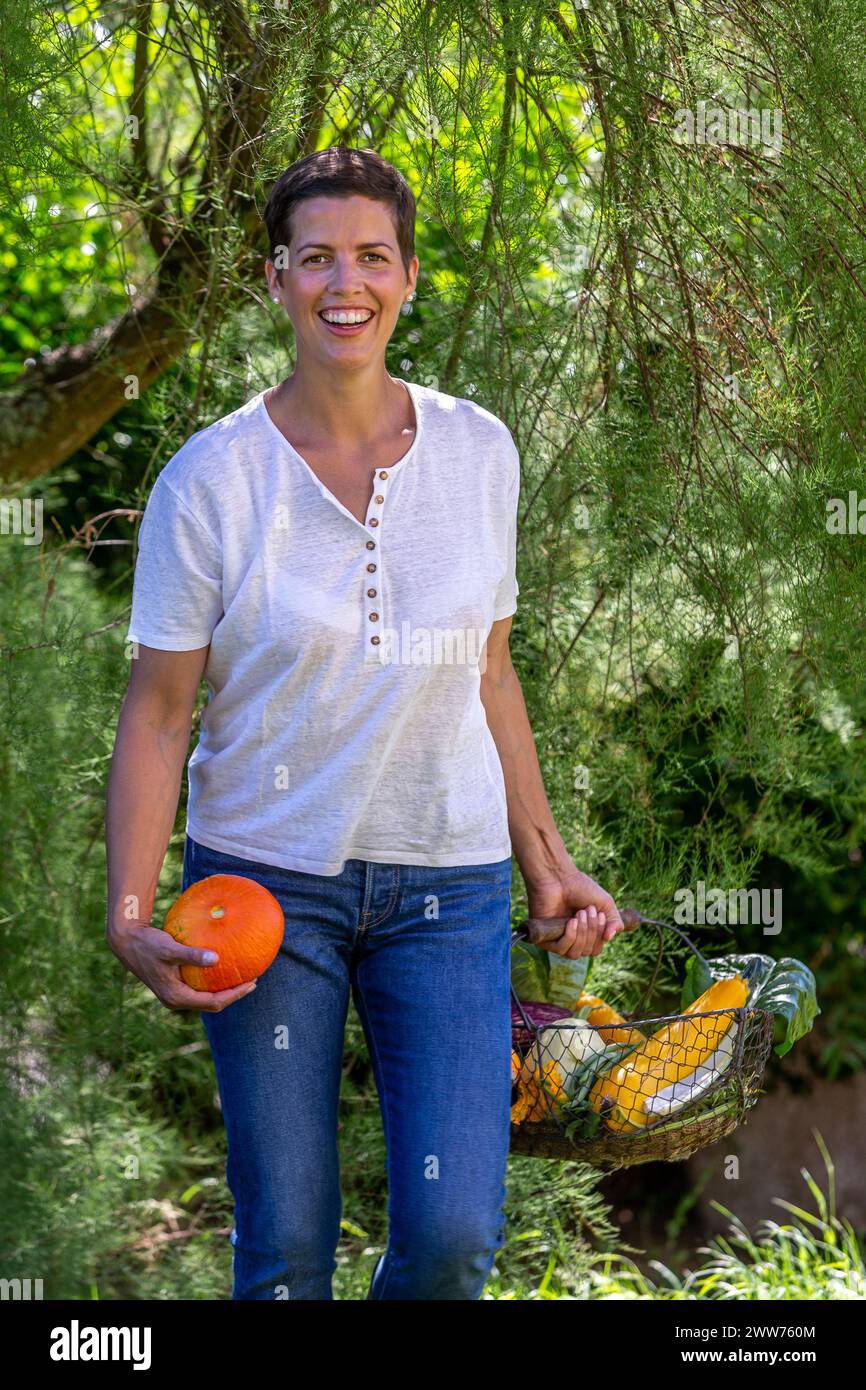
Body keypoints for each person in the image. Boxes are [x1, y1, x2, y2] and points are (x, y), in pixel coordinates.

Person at [105, 145, 625, 1301]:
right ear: (277, 278)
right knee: (286, 1245)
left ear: (408, 274)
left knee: (450, 1239)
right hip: (261, 889)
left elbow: (490, 671)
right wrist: (130, 914)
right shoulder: (211, 481)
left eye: (373, 256)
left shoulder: (479, 451)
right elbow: (159, 709)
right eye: (318, 257)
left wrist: (545, 860)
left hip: (446, 884)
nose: (348, 282)